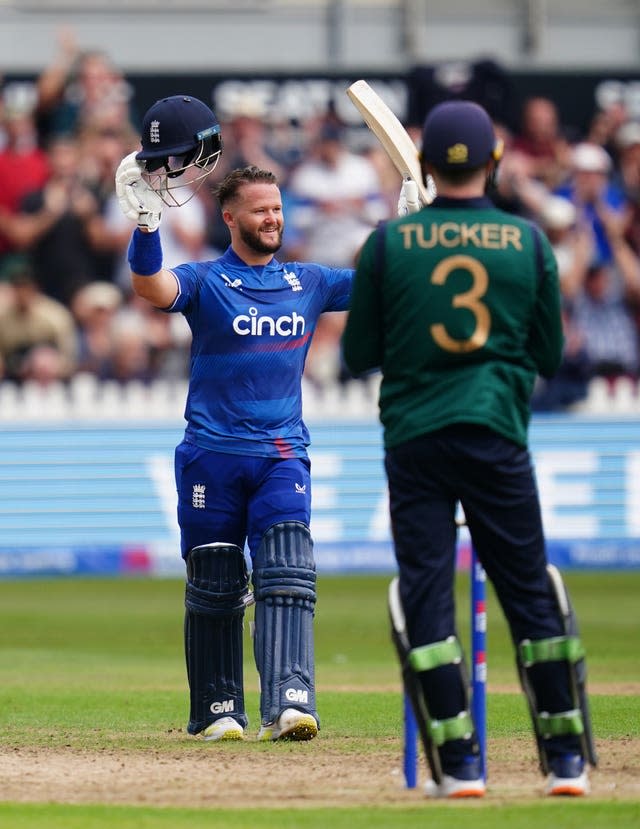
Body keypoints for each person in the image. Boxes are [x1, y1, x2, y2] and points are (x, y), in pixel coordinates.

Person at [342, 100, 597, 798]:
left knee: (426, 590)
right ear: (494, 162)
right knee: (527, 588)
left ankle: (459, 766)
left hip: (416, 437)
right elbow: (548, 354)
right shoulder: (527, 241)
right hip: (496, 433)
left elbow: (359, 352)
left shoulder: (388, 245)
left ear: (422, 165)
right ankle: (567, 758)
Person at [114, 95, 354, 744]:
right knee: (216, 585)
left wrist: (412, 231)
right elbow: (150, 289)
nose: (273, 219)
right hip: (210, 456)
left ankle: (291, 701)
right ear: (230, 217)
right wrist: (143, 225)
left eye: (277, 209)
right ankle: (218, 709)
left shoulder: (309, 282)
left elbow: (382, 283)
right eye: (261, 211)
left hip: (281, 454)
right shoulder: (206, 282)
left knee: (287, 569)